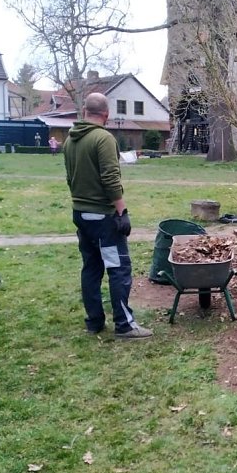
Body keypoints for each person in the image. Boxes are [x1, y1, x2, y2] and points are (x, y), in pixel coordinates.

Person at [63, 92, 152, 339]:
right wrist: (122, 211)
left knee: (91, 268)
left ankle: (94, 321)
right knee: (118, 268)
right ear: (106, 114)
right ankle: (124, 325)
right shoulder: (103, 139)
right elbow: (111, 179)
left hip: (80, 214)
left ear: (84, 112)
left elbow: (70, 177)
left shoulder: (70, 140)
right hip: (103, 219)